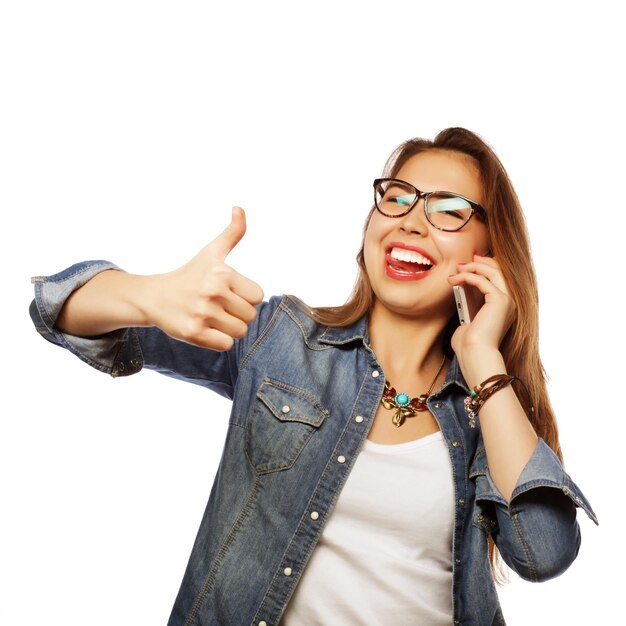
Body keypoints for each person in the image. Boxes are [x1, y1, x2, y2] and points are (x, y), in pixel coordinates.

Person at [30, 127, 597, 625]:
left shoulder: (486, 411)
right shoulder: (280, 340)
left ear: (490, 251)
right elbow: (58, 310)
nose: (412, 220)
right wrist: (148, 296)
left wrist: (484, 362)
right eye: (396, 198)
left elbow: (542, 554)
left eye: (448, 209)